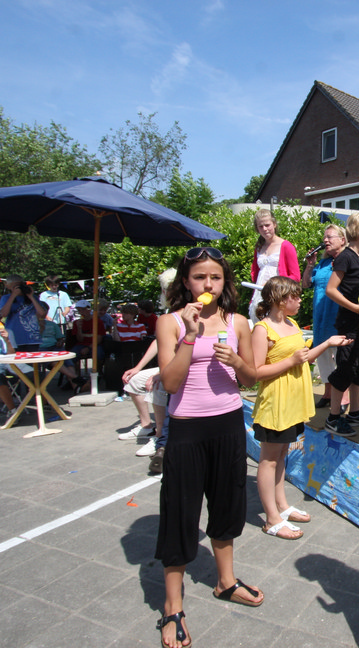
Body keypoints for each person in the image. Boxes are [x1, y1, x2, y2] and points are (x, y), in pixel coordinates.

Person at [155, 246, 262, 648]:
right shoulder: (170, 322)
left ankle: (225, 581)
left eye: (215, 277)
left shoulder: (237, 322)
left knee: (227, 503)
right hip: (187, 428)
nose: (208, 284)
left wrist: (236, 361)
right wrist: (190, 336)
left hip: (228, 424)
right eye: (200, 277)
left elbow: (250, 379)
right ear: (186, 282)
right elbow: (170, 383)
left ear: (224, 281)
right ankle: (172, 606)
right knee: (180, 512)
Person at [251, 276, 351, 540]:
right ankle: (271, 518)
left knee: (282, 453)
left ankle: (282, 505)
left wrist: (327, 343)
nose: (299, 300)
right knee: (269, 459)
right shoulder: (262, 329)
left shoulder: (292, 324)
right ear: (279, 299)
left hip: (294, 401)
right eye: (294, 297)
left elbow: (303, 358)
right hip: (276, 402)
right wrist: (290, 361)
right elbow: (256, 372)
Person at [300, 223, 359, 411]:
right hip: (321, 316)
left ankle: (343, 399)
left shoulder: (351, 258)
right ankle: (328, 394)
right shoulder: (322, 264)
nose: (325, 240)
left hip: (341, 315)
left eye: (330, 237)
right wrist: (310, 265)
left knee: (342, 358)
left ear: (343, 239)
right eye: (324, 238)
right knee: (324, 357)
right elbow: (305, 284)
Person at [324, 211, 359, 437]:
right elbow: (331, 290)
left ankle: (354, 412)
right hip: (349, 323)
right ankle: (333, 417)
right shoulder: (345, 257)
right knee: (345, 367)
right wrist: (355, 308)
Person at [249, 208, 300, 321]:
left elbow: (295, 277)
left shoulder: (286, 246)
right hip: (260, 293)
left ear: (274, 224)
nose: (264, 229)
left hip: (278, 295)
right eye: (260, 226)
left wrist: (273, 284)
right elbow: (255, 274)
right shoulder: (259, 247)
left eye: (267, 225)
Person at [120, 339, 167, 460]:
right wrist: (138, 367)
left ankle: (160, 436)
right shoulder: (166, 326)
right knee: (133, 379)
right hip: (167, 364)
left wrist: (161, 372)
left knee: (157, 384)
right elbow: (158, 341)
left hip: (183, 365)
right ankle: (147, 427)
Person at [37, 301, 85, 389]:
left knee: (68, 362)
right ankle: (76, 378)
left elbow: (60, 337)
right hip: (41, 348)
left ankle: (75, 386)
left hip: (54, 346)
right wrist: (40, 327)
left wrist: (60, 341)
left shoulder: (52, 324)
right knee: (55, 361)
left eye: (45, 310)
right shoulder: (32, 325)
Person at [0, 274, 46, 351]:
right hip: (15, 337)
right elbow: (3, 314)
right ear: (9, 287)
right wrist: (13, 295)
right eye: (15, 286)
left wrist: (31, 296)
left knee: (33, 358)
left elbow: (42, 314)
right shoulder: (6, 298)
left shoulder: (33, 298)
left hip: (32, 338)